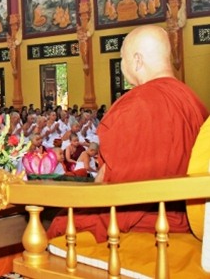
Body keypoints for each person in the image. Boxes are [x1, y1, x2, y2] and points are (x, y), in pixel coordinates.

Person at [48, 25, 208, 243]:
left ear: (137, 60)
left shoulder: (137, 103)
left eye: (122, 58)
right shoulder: (195, 101)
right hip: (189, 221)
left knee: (59, 224)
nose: (122, 65)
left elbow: (113, 184)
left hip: (148, 225)